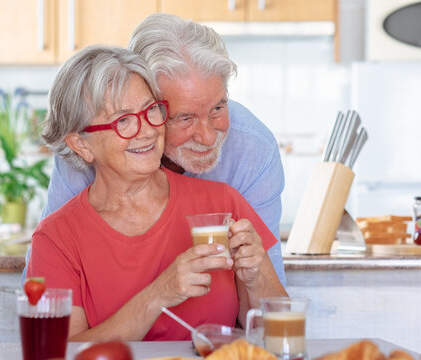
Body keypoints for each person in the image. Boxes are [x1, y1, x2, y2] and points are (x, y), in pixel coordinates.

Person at [27, 45, 287, 341]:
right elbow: (59, 351)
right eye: (123, 120)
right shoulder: (56, 239)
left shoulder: (222, 204)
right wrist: (159, 294)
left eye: (151, 110)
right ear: (81, 144)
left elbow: (280, 334)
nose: (148, 130)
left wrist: (254, 280)